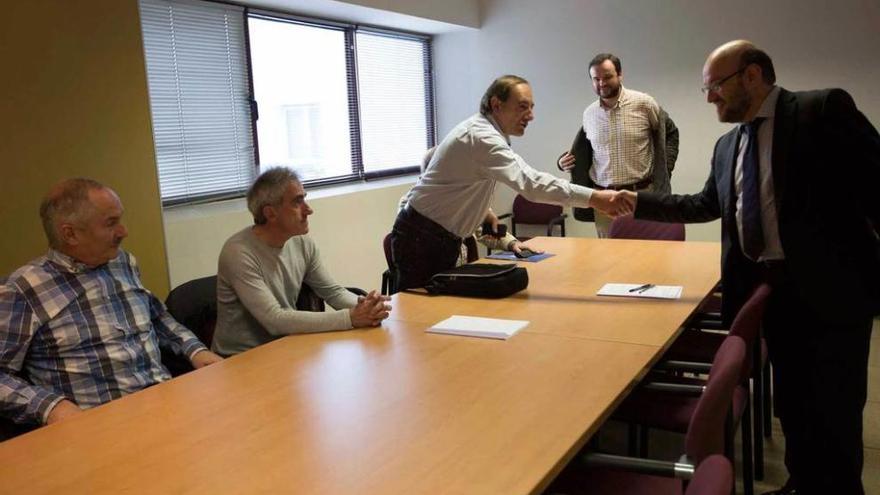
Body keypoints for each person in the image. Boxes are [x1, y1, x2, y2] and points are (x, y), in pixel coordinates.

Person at [618, 40, 880, 495]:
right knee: (793, 406)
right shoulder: (726, 146)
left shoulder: (821, 111)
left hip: (834, 294)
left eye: (715, 86)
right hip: (772, 294)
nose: (709, 97)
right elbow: (703, 205)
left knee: (835, 411)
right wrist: (634, 201)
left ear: (753, 75)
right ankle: (802, 483)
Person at [0, 178, 223, 427]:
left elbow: (157, 317)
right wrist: (51, 407)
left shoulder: (123, 263)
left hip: (164, 404)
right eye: (111, 223)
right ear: (70, 233)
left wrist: (196, 350)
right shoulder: (23, 289)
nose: (123, 231)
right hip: (98, 425)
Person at [391, 74, 632, 290]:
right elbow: (531, 183)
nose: (531, 115)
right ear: (497, 105)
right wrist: (595, 198)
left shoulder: (487, 134)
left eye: (532, 107)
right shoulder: (482, 137)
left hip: (434, 235)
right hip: (423, 238)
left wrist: (483, 213)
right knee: (418, 318)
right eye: (522, 107)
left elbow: (460, 185)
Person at [212, 168, 391, 357]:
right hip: (239, 359)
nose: (309, 210)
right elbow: (274, 319)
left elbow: (332, 292)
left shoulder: (301, 242)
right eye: (298, 202)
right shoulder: (238, 252)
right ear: (271, 213)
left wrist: (369, 307)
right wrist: (351, 318)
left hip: (282, 348)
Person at [557, 53, 679, 237]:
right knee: (609, 256)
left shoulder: (644, 103)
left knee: (649, 256)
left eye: (607, 77)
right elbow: (586, 152)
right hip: (604, 199)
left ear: (620, 75)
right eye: (596, 79)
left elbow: (670, 133)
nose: (601, 83)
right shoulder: (589, 114)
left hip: (643, 195)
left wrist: (664, 167)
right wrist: (561, 162)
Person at [398, 147, 541, 265]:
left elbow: (482, 229)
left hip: (458, 272)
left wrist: (512, 243)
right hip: (429, 277)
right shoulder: (410, 205)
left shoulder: (458, 198)